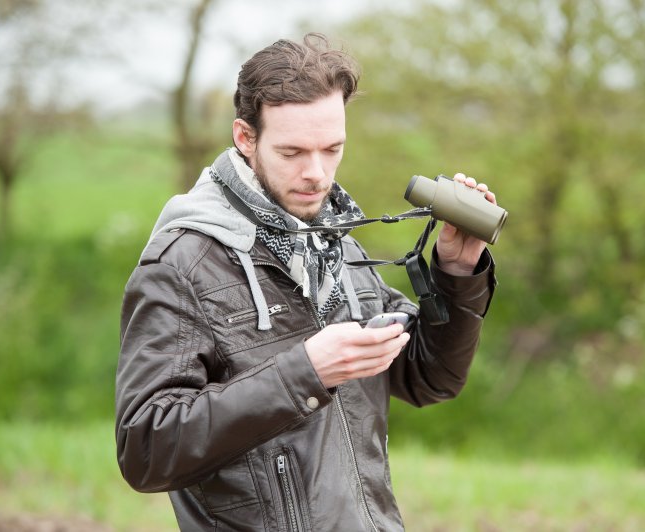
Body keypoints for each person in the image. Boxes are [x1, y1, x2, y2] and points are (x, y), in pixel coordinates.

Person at [115, 33, 497, 531]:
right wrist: (306, 372)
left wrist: (457, 270)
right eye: (293, 151)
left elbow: (430, 378)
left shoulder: (338, 245)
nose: (317, 174)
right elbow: (146, 449)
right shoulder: (182, 264)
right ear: (245, 138)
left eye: (332, 148)